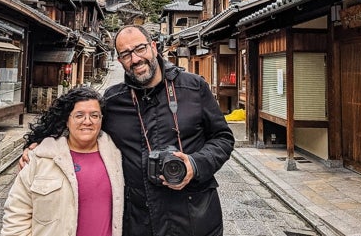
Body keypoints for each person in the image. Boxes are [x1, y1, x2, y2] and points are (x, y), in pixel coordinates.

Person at [22, 25, 235, 236]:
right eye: (126, 54)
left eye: (140, 49)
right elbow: (78, 127)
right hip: (140, 221)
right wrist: (40, 144)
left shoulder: (193, 87)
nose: (135, 59)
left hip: (197, 218)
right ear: (120, 60)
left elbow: (223, 138)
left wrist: (195, 164)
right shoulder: (113, 101)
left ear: (153, 47)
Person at [2, 87, 123, 236]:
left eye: (94, 115)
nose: (87, 121)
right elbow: (17, 215)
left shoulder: (117, 154)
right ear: (67, 120)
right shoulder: (42, 157)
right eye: (79, 115)